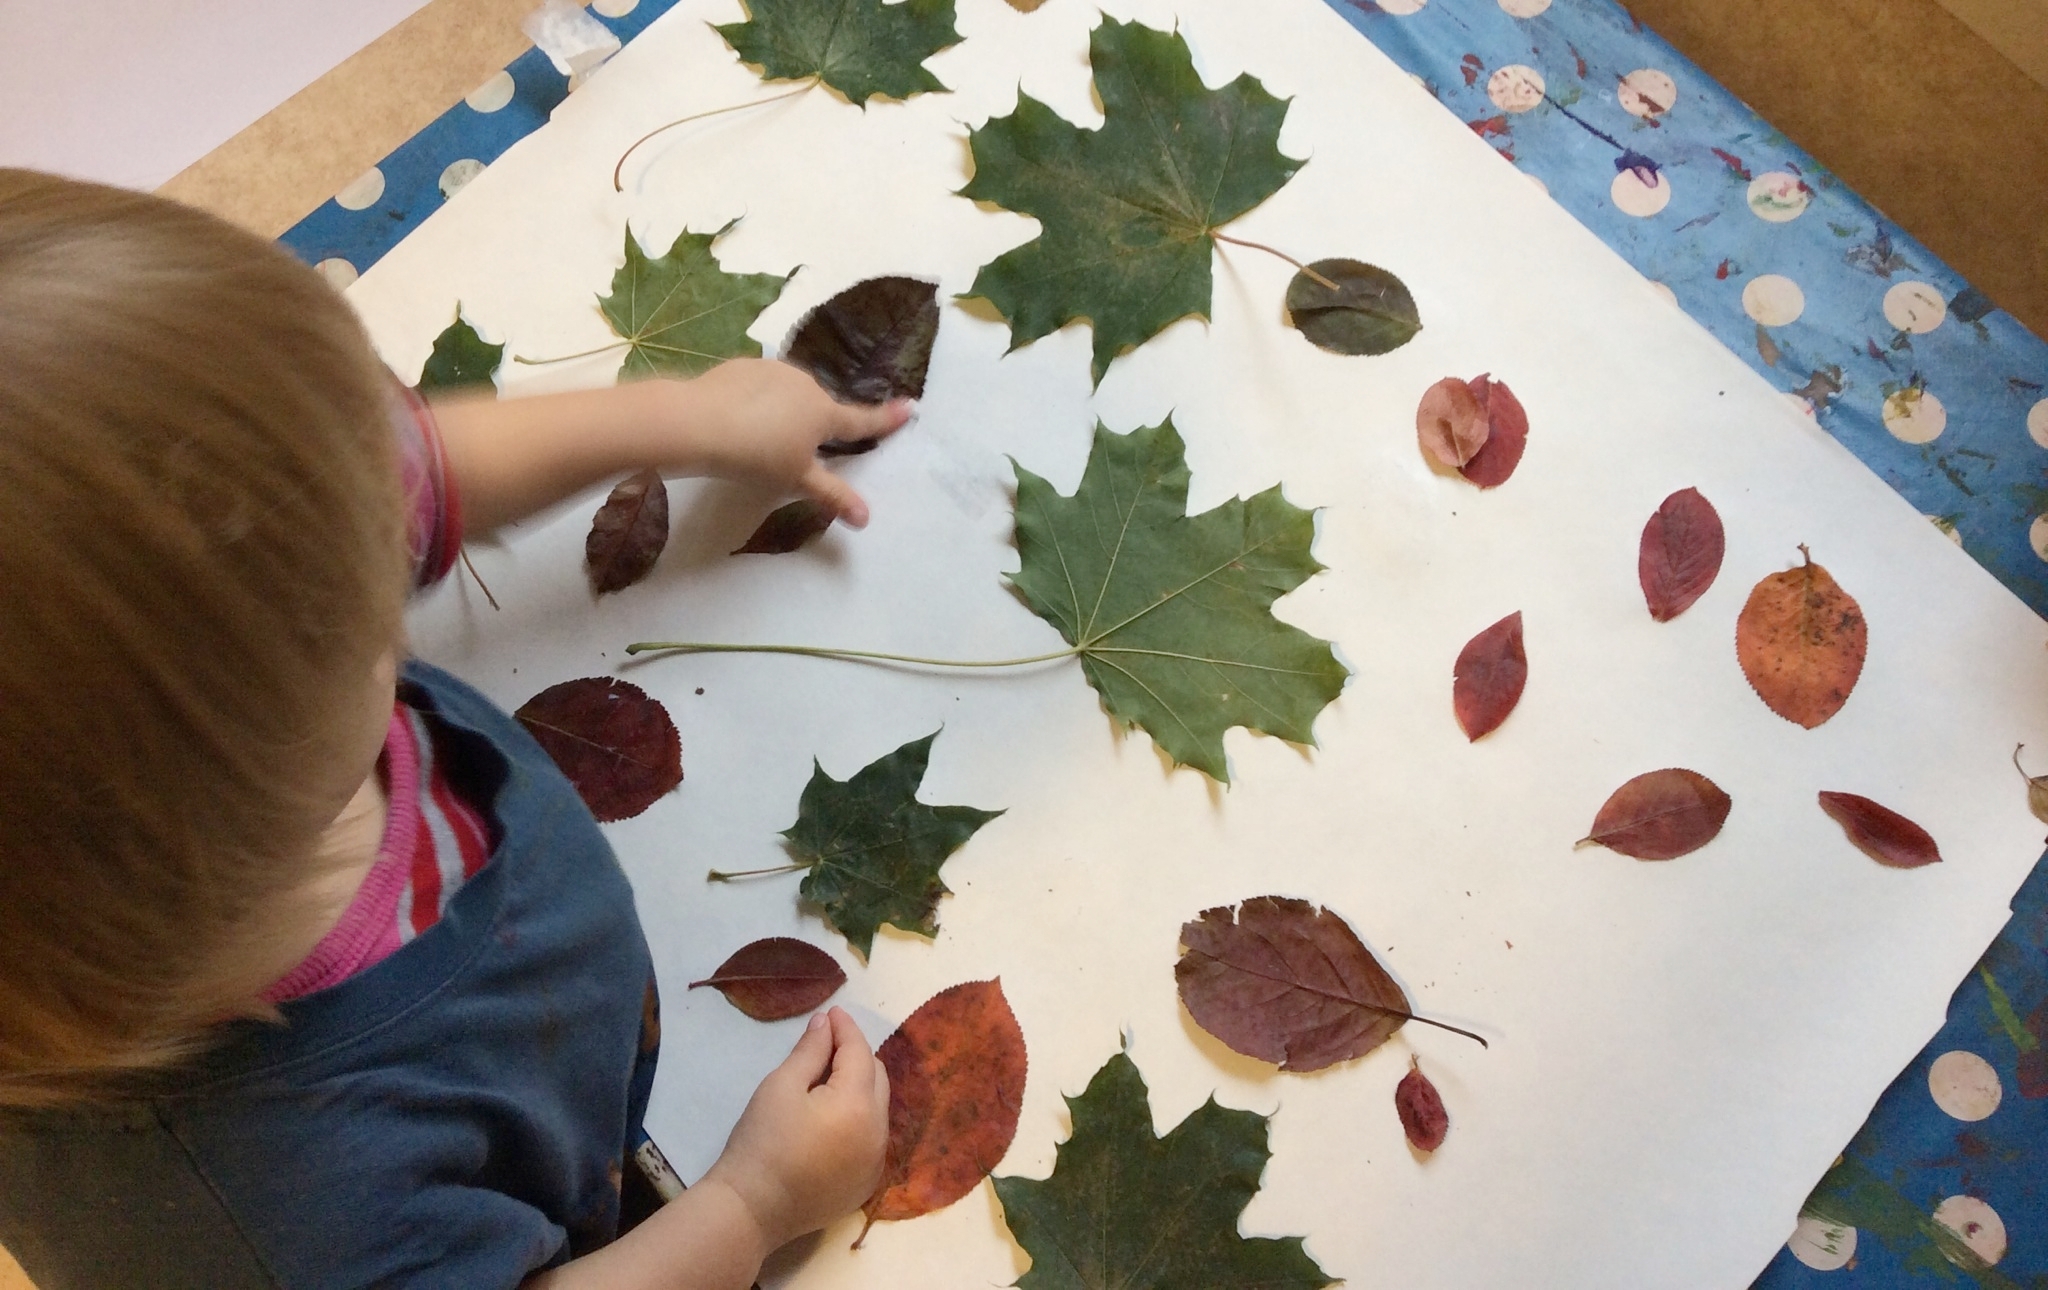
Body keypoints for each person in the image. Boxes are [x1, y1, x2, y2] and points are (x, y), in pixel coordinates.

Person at [0, 169, 902, 1288]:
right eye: (371, 573)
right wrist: (753, 1204)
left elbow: (402, 480)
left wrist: (687, 418)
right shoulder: (291, 1222)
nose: (405, 510)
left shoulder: (197, 661)